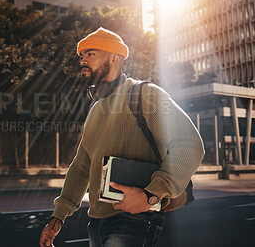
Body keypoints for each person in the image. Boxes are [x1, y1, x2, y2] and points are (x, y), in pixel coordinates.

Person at [39, 27, 204, 247]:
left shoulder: (146, 94)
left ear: (115, 58)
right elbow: (81, 166)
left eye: (91, 54)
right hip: (96, 222)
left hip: (136, 218)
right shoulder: (95, 110)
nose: (83, 60)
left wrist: (149, 196)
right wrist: (58, 216)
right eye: (81, 55)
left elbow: (190, 145)